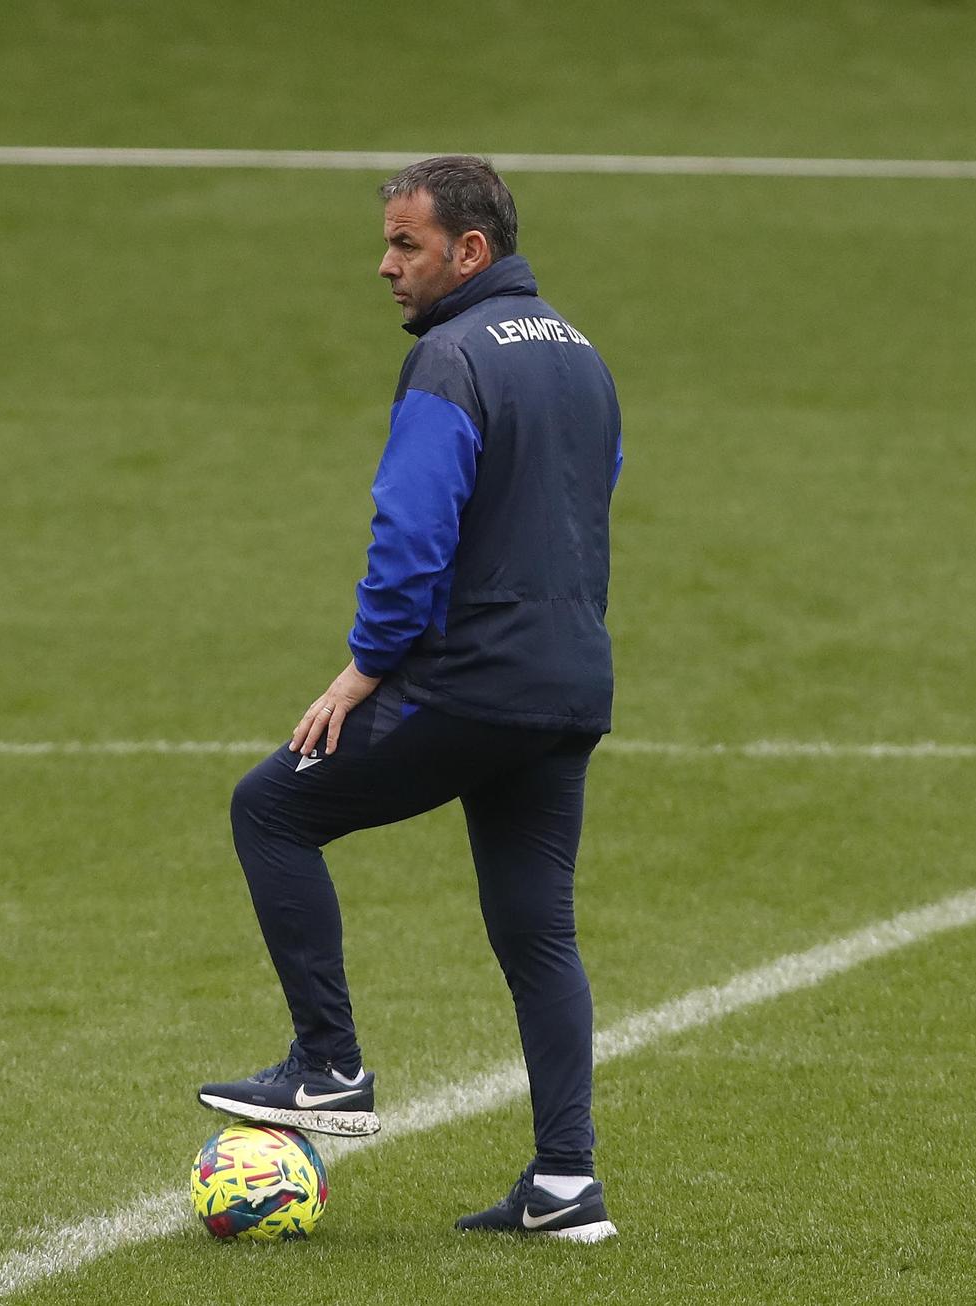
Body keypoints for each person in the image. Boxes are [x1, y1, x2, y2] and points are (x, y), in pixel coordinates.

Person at [197, 155, 623, 1243]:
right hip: (569, 681)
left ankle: (326, 1064)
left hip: (471, 678)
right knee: (537, 930)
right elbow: (586, 501)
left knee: (273, 807)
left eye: (404, 245)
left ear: (467, 250)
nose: (383, 265)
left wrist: (365, 664)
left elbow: (413, 531)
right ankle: (565, 1183)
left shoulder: (449, 357)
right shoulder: (581, 355)